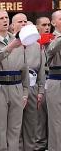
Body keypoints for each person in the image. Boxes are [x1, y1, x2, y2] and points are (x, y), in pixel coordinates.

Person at [0, 9, 29, 151]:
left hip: (16, 86)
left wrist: (25, 91)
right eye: (1, 18)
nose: (5, 20)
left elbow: (24, 67)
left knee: (15, 129)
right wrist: (10, 47)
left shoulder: (18, 40)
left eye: (6, 17)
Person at [12, 13, 46, 151]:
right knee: (14, 125)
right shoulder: (9, 44)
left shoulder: (37, 46)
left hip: (32, 88)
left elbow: (41, 71)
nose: (23, 24)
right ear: (12, 25)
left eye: (25, 21)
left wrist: (40, 91)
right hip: (14, 87)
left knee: (31, 124)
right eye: (20, 21)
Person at [34, 16, 51, 151]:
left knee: (54, 116)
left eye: (49, 25)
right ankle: (40, 144)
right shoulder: (33, 42)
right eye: (44, 25)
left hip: (52, 81)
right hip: (39, 82)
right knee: (39, 116)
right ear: (37, 26)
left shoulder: (53, 41)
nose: (47, 27)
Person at [46, 10, 61, 151]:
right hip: (57, 80)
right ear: (53, 22)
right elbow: (52, 49)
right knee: (56, 121)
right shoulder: (49, 37)